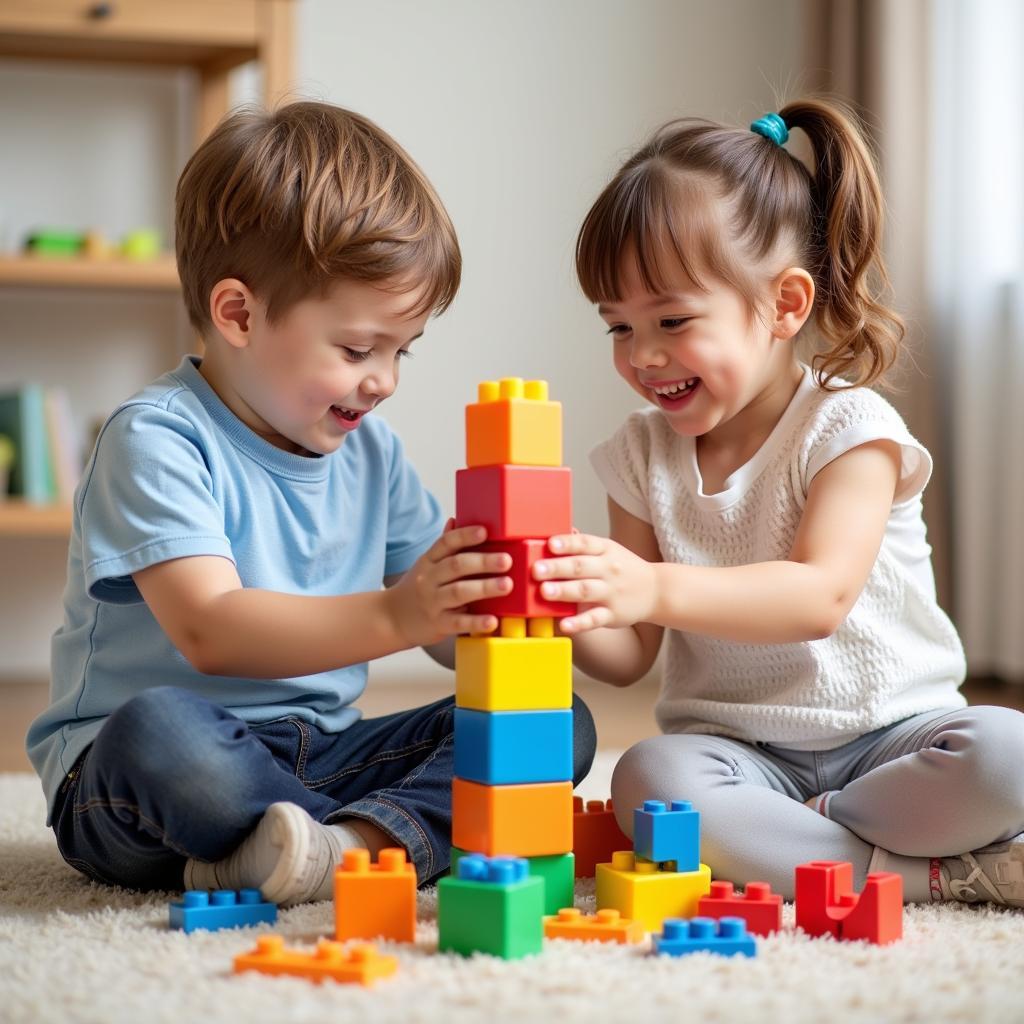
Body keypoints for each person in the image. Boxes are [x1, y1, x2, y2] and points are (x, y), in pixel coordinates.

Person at [26, 101, 596, 906]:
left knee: (550, 723)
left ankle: (332, 846)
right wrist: (402, 615)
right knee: (165, 735)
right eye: (359, 349)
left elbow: (445, 628)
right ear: (238, 314)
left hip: (322, 752)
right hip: (143, 778)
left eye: (403, 351)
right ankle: (370, 838)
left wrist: (513, 598)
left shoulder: (372, 452)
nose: (385, 380)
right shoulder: (155, 439)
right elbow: (210, 629)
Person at [530, 100, 1024, 906]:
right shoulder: (640, 453)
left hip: (891, 739)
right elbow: (631, 657)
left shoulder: (849, 428)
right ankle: (921, 870)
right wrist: (563, 596)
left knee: (1009, 756)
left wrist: (649, 584)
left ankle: (798, 832)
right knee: (651, 780)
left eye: (672, 320)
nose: (642, 356)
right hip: (736, 749)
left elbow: (817, 596)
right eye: (617, 327)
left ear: (786, 305)